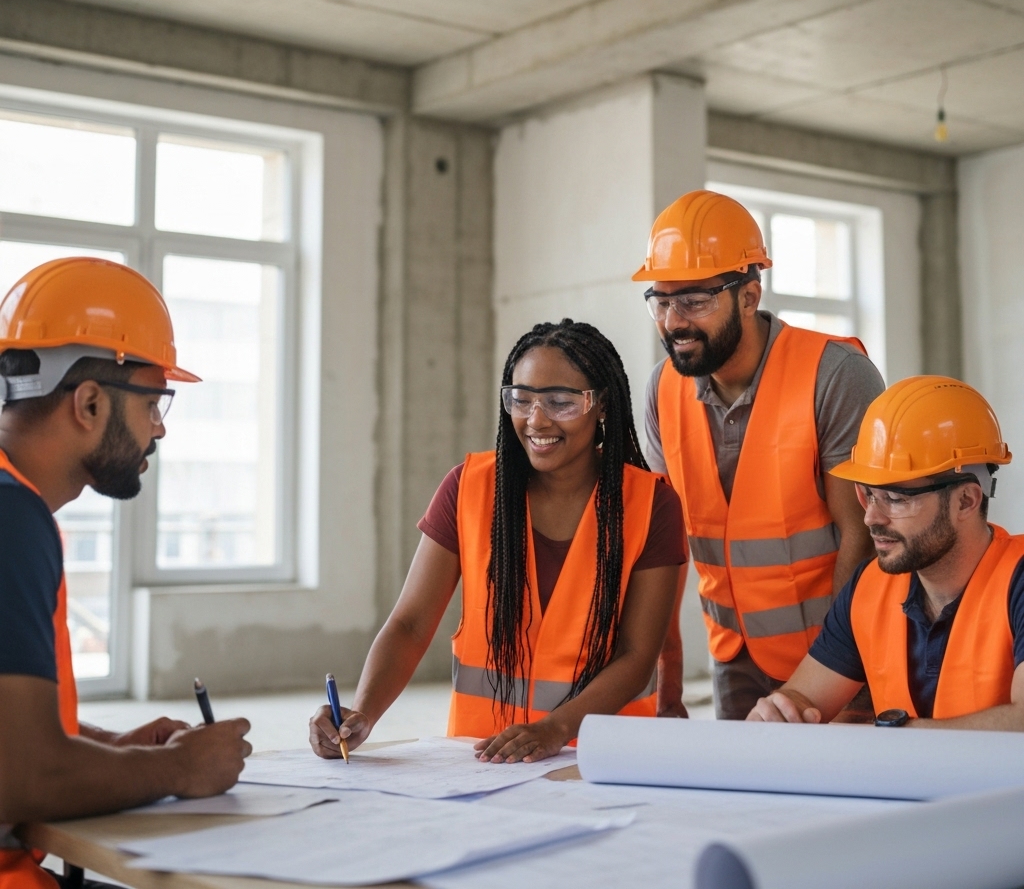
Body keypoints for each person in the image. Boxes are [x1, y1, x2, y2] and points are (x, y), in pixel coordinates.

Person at [310, 320, 684, 763]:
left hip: (606, 762)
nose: (536, 419)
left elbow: (637, 655)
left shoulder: (650, 503)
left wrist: (554, 730)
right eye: (521, 399)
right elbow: (410, 625)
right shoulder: (469, 488)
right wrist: (361, 715)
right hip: (481, 763)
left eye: (561, 402)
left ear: (601, 404)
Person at [0, 258, 252, 889]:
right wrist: (176, 771)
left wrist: (114, 751)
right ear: (88, 402)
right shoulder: (13, 521)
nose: (159, 429)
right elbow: (22, 777)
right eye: (153, 402)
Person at [634, 190, 884, 720]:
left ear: (749, 295)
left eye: (695, 301)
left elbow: (862, 536)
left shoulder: (834, 374)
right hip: (733, 657)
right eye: (661, 300)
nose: (674, 321)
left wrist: (835, 678)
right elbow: (661, 544)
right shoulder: (663, 391)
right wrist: (667, 688)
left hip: (836, 655)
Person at [748, 376, 1024, 729]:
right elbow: (804, 698)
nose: (871, 517)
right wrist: (781, 712)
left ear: (966, 500)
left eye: (895, 499)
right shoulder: (868, 588)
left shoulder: (1017, 580)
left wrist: (897, 737)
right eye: (868, 494)